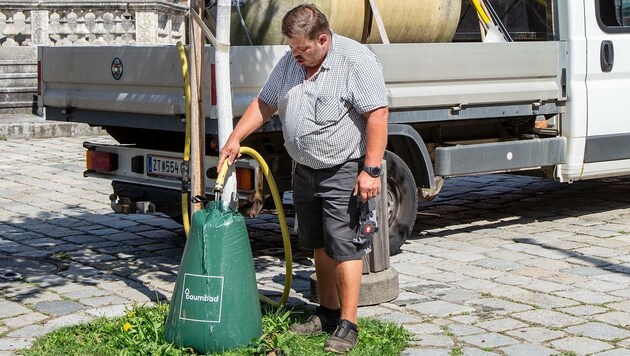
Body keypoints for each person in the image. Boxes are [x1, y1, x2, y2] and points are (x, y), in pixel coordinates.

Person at [217, 3, 388, 353]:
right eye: (291, 48)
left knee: (344, 245)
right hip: (305, 170)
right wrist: (236, 137)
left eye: (302, 49)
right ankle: (325, 312)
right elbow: (265, 103)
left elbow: (377, 114)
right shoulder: (291, 63)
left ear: (322, 39)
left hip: (342, 167)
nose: (295, 55)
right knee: (317, 242)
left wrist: (371, 170)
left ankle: (348, 323)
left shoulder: (356, 61)